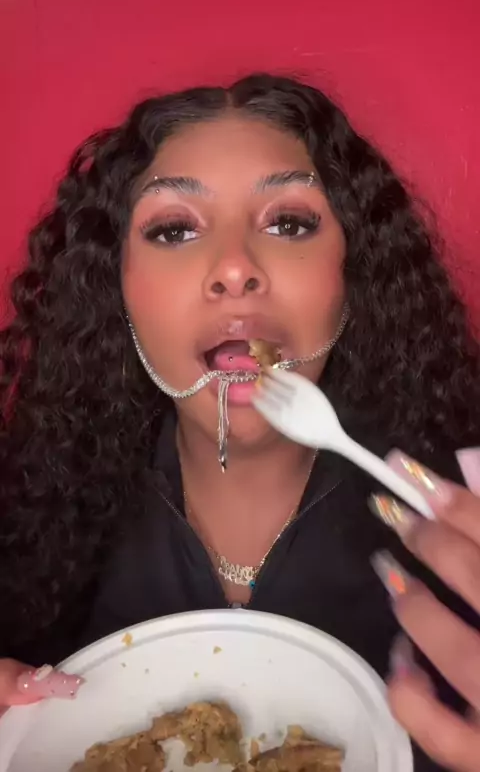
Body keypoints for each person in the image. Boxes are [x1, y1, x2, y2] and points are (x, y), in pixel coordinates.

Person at [0, 73, 479, 771]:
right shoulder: (30, 504)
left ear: (352, 278)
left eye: (289, 223)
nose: (233, 268)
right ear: (117, 291)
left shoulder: (461, 508)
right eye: (173, 229)